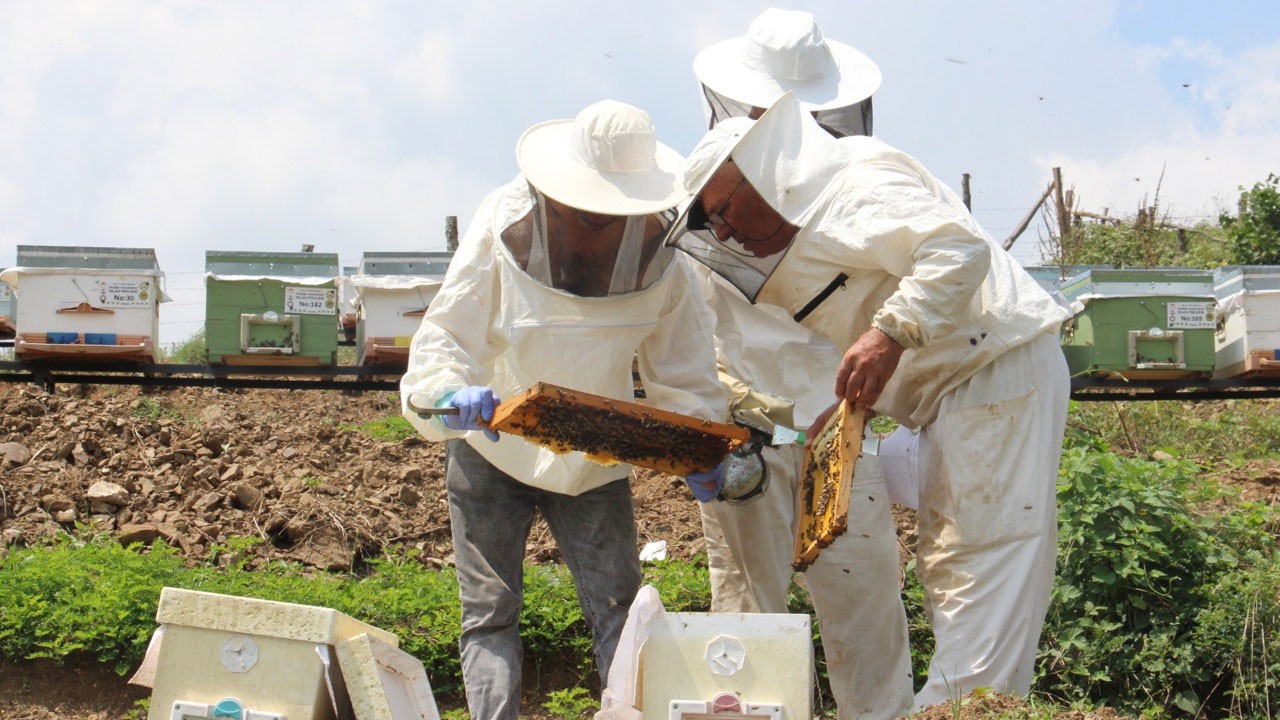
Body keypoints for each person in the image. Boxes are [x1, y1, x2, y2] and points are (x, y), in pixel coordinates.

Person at [670, 91, 1072, 714]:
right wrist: (856, 410)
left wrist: (888, 334)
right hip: (959, 394)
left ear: (759, 170)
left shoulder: (854, 181)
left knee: (983, 566)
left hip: (994, 376)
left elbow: (958, 250)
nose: (722, 232)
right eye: (709, 224)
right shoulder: (822, 206)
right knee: (951, 568)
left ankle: (967, 707)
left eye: (721, 210)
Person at [400, 100, 728, 720]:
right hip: (490, 449)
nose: (600, 225)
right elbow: (447, 336)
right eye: (587, 212)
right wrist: (447, 393)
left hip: (594, 458)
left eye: (614, 216)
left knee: (621, 614)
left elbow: (682, 369)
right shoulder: (503, 220)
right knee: (489, 614)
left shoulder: (666, 255)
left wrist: (697, 446)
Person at [683, 10, 914, 720]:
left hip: (840, 432)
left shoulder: (853, 182)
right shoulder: (709, 186)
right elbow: (689, 327)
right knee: (744, 620)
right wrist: (713, 417)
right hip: (746, 433)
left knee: (865, 611)